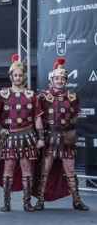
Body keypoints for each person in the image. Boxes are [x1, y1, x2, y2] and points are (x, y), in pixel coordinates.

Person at [0, 54, 44, 212]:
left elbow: (38, 118)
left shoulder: (32, 95)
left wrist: (41, 139)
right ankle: (6, 203)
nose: (18, 77)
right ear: (11, 76)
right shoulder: (2, 94)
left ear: (24, 76)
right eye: (15, 75)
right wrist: (0, 129)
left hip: (28, 135)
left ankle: (27, 202)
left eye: (20, 75)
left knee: (27, 168)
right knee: (9, 168)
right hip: (10, 136)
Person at [35, 58, 89, 211]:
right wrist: (40, 138)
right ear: (52, 79)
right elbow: (37, 118)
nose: (59, 81)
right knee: (45, 169)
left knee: (70, 170)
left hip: (67, 137)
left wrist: (71, 122)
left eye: (62, 78)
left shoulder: (72, 96)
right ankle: (40, 200)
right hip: (50, 136)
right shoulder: (43, 96)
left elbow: (77, 115)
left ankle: (76, 201)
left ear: (66, 80)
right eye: (57, 78)